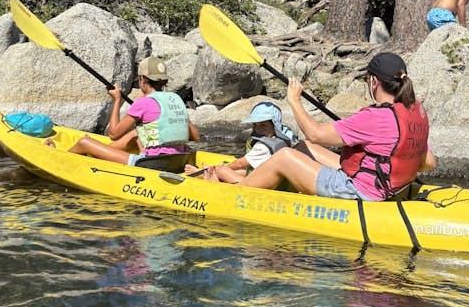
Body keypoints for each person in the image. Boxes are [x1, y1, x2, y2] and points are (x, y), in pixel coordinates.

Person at [212, 52, 436, 201]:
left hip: (363, 191)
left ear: (374, 82)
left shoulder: (375, 118)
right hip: (390, 185)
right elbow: (428, 163)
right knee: (303, 147)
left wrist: (294, 101)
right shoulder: (414, 111)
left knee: (284, 156)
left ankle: (235, 189)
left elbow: (316, 133)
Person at [54, 56, 200, 166]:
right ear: (164, 81)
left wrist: (117, 99)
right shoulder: (175, 99)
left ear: (142, 79)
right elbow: (195, 136)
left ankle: (59, 162)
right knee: (136, 134)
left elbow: (113, 134)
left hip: (154, 164)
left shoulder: (143, 102)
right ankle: (98, 153)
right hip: (180, 160)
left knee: (84, 142)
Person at [192, 101, 296, 183]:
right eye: (255, 125)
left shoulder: (263, 146)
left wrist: (219, 168)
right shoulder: (282, 139)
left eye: (263, 125)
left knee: (224, 171)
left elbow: (240, 163)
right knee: (241, 171)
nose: (258, 129)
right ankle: (210, 173)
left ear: (275, 126)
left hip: (261, 184)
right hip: (271, 179)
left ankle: (207, 174)